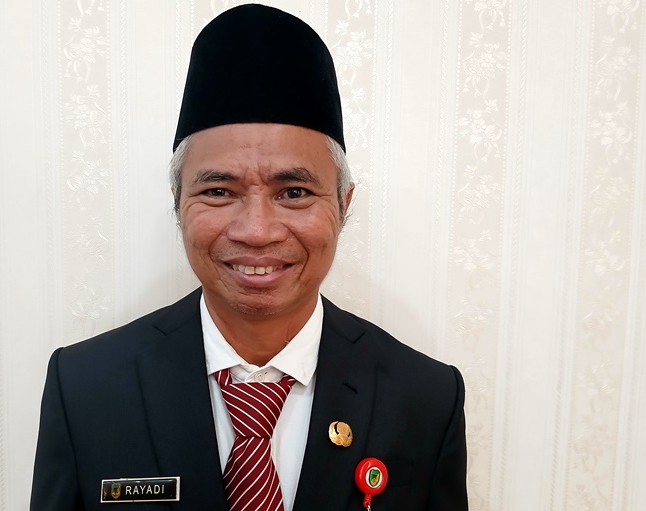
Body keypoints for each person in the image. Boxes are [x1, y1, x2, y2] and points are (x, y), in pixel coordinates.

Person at [30, 4, 467, 511]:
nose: (257, 231)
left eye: (295, 192)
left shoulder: (425, 398)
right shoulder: (84, 388)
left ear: (343, 205)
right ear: (178, 203)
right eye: (218, 191)